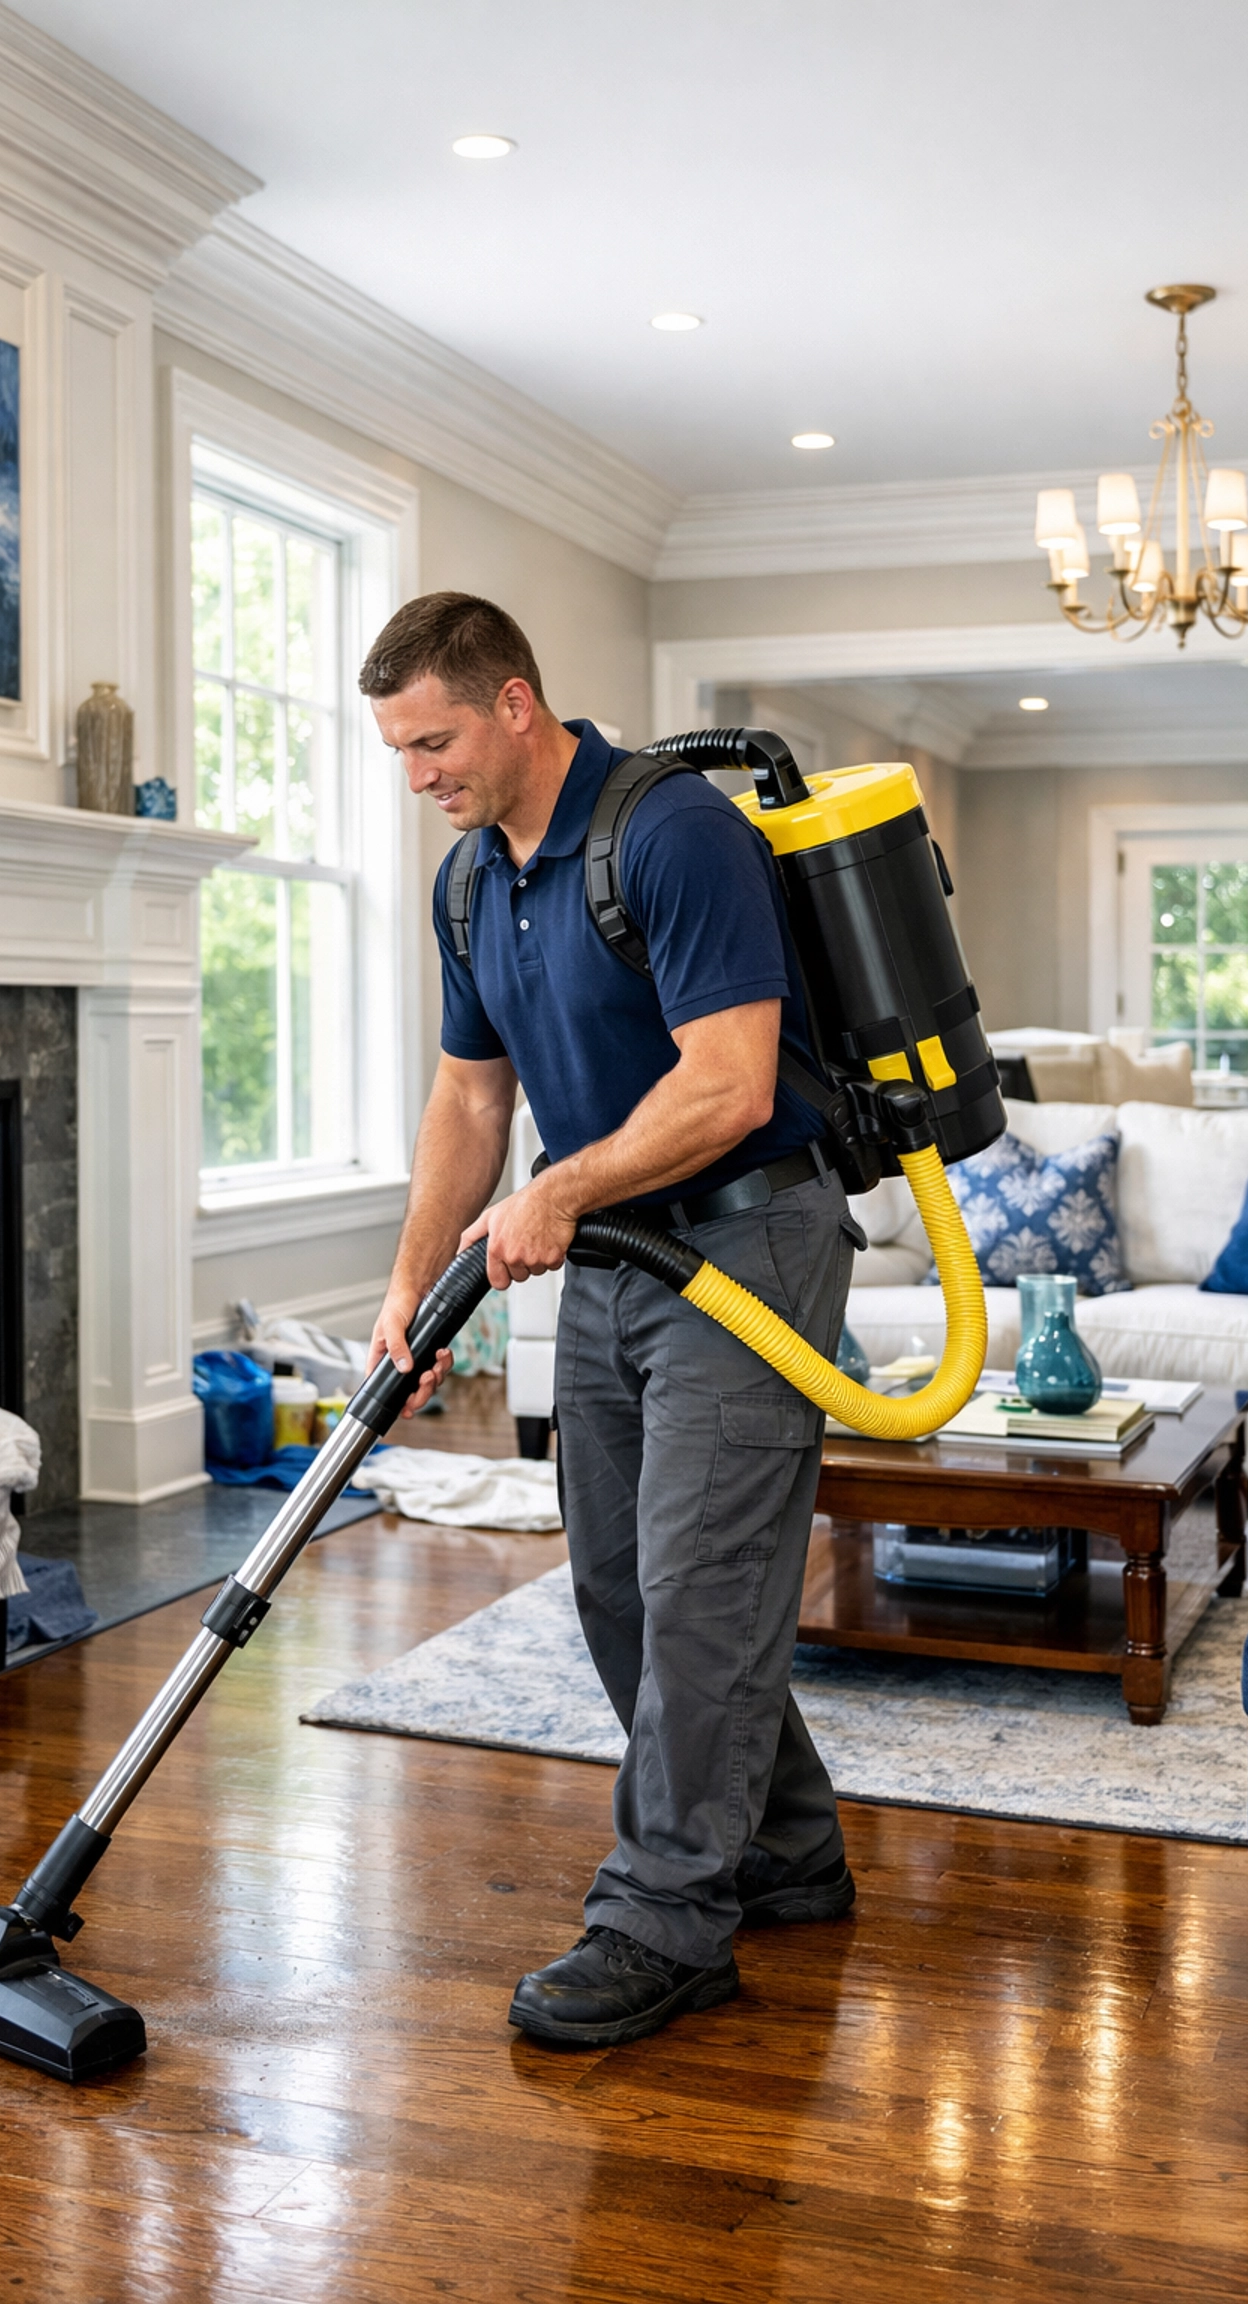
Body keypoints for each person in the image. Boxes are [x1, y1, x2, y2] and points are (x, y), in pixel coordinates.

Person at [361, 592, 860, 2051]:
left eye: (435, 741)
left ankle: (665, 1921)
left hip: (748, 1237)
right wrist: (411, 1281)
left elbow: (733, 1082)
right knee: (620, 1584)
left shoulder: (670, 830)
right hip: (613, 1248)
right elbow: (470, 1093)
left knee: (706, 1585)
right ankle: (786, 1849)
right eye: (397, 751)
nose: (420, 777)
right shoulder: (469, 880)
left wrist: (559, 1194)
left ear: (516, 702)